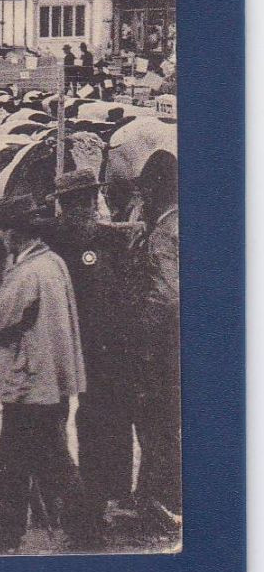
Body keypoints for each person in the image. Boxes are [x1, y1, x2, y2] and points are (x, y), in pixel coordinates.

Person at [0, 193, 90, 554]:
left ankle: (5, 533)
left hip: (30, 379)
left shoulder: (26, 272)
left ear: (13, 234)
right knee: (51, 454)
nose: (2, 238)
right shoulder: (52, 262)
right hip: (50, 378)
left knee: (14, 458)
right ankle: (84, 527)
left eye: (3, 231)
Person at [44, 168, 142, 544]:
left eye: (82, 201)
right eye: (75, 202)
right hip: (92, 346)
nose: (81, 208)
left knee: (93, 425)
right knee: (88, 423)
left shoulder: (86, 237)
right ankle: (93, 501)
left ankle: (95, 507)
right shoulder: (74, 236)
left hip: (95, 348)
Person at [126, 156, 181, 530]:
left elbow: (166, 295)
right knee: (166, 422)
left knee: (155, 420)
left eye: (145, 189)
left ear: (154, 190)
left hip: (161, 344)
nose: (140, 197)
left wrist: (143, 342)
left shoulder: (164, 233)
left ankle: (160, 500)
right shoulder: (177, 221)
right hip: (176, 343)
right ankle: (160, 494)